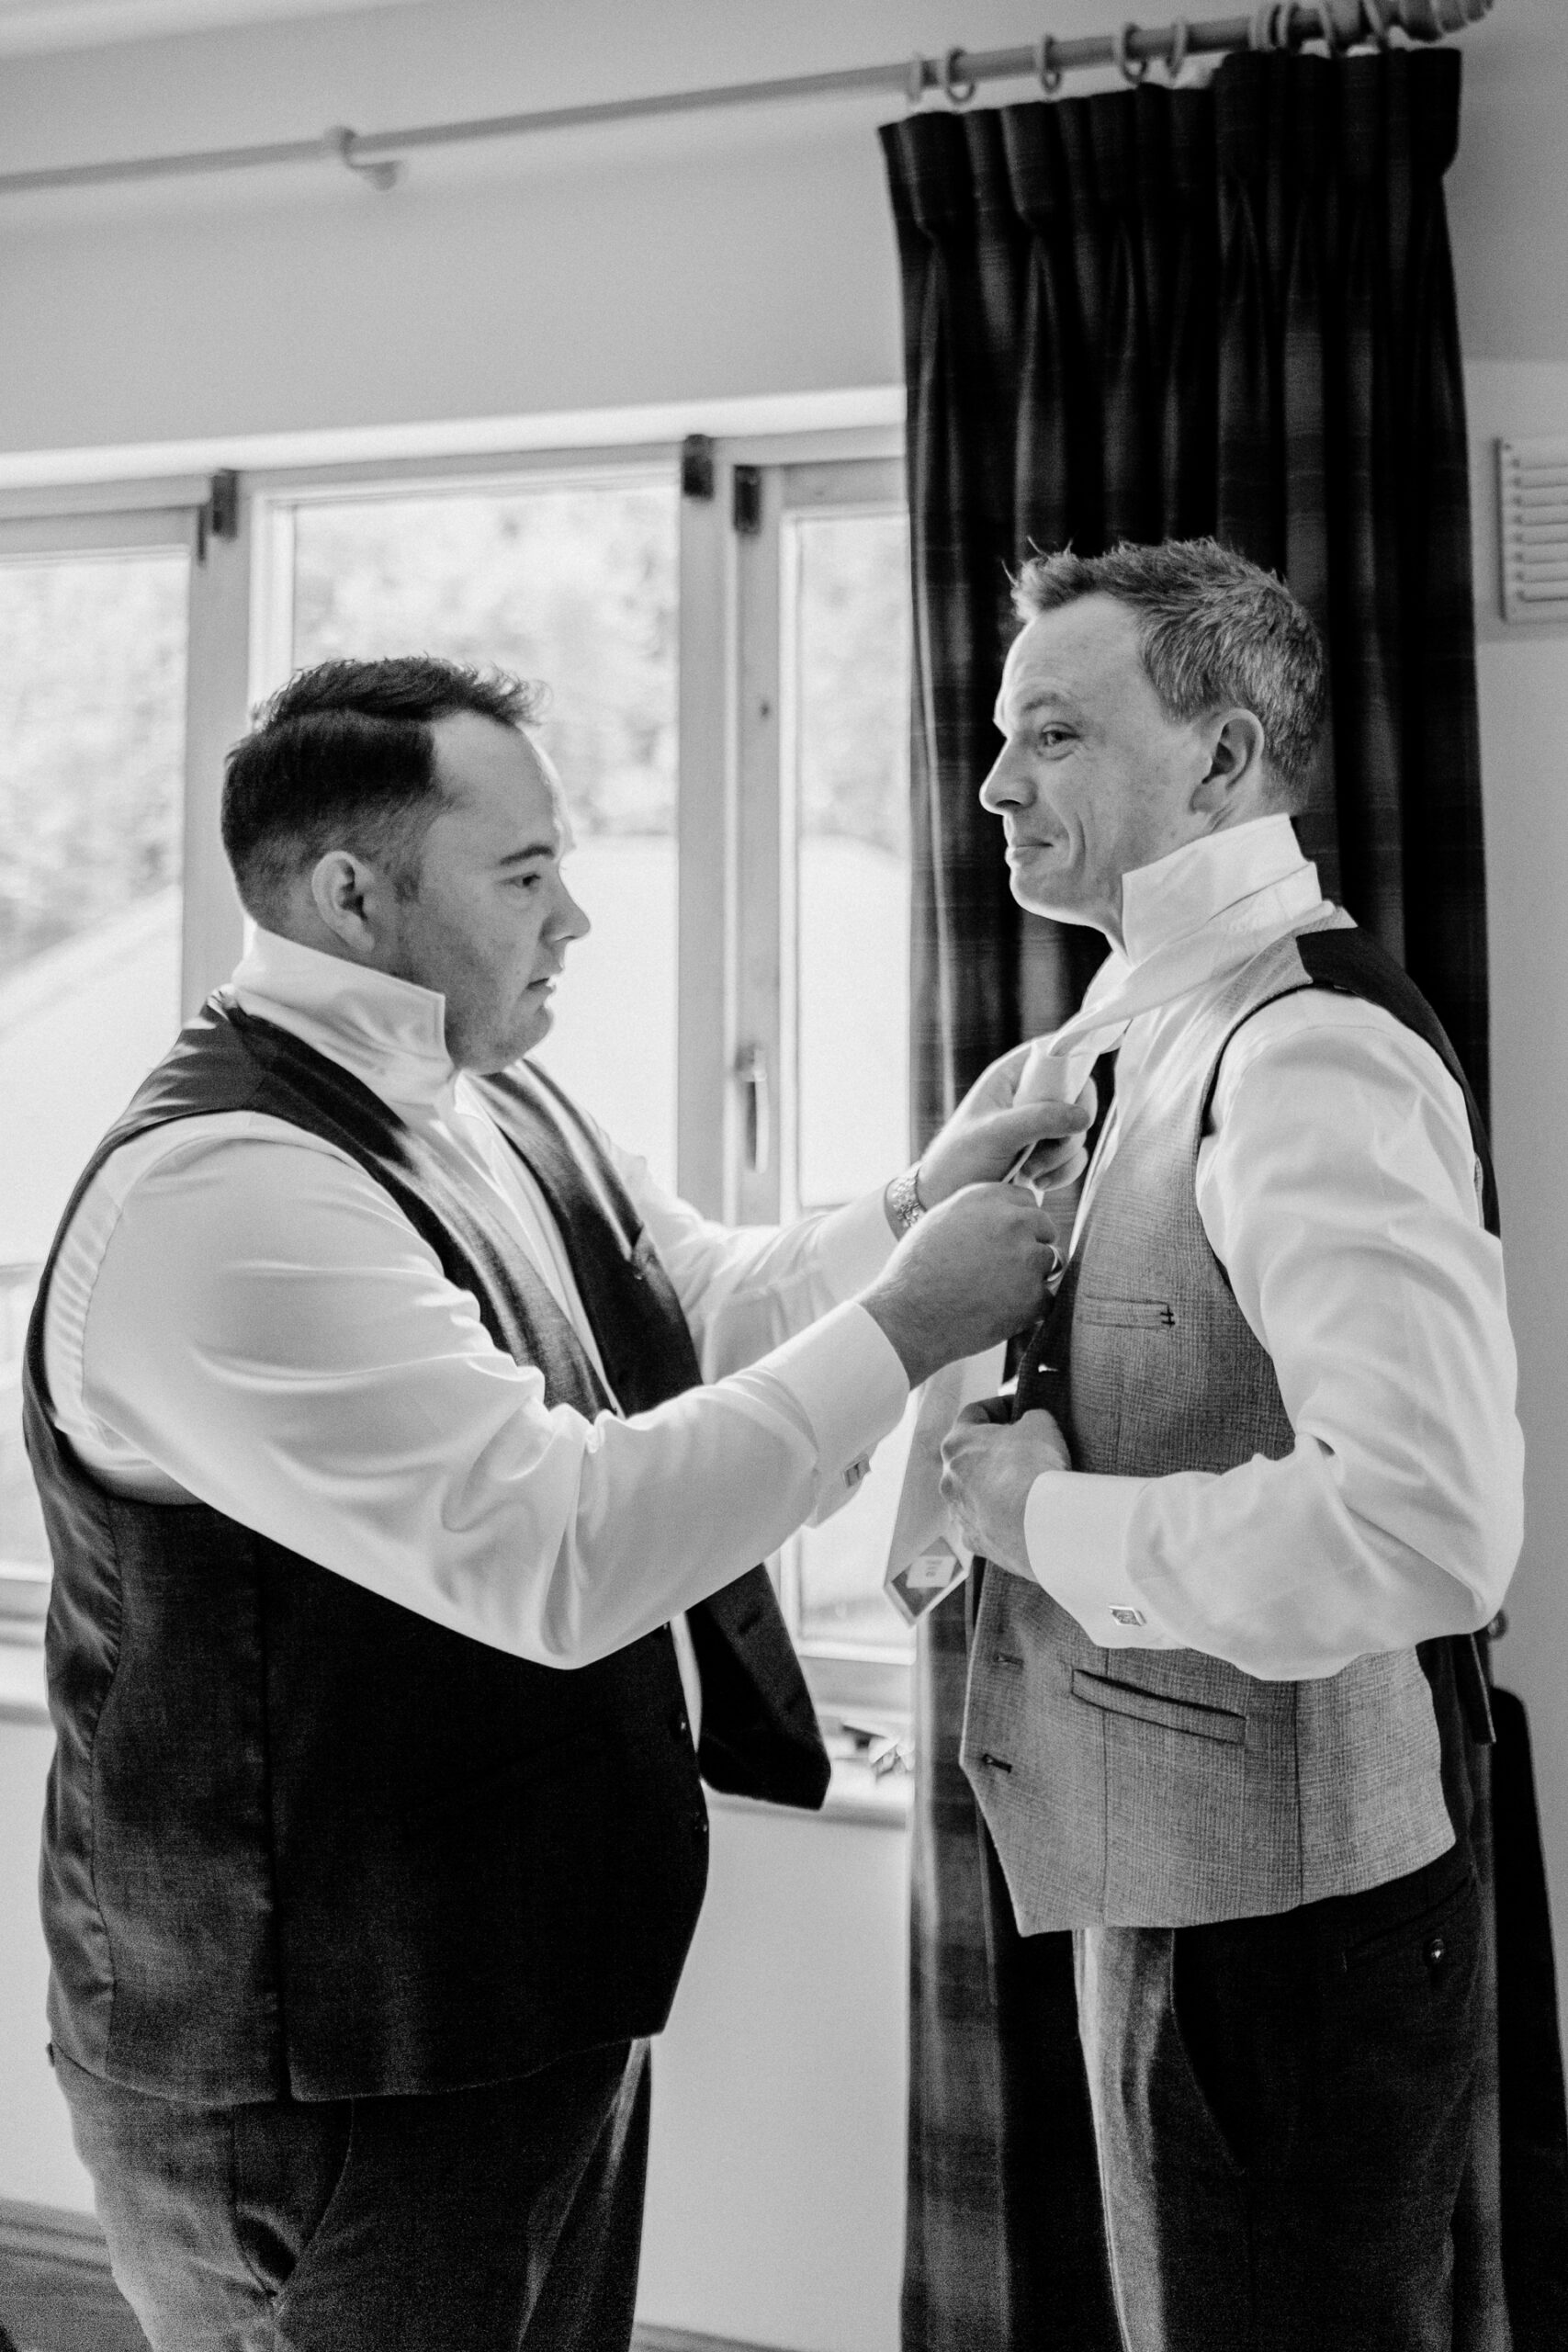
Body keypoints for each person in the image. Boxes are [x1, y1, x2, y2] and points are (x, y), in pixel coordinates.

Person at [24, 656, 1087, 2352]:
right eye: (524, 875)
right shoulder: (222, 1194)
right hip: (322, 2072)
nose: (575, 918)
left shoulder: (483, 1090)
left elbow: (689, 1304)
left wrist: (906, 1211)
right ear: (352, 895)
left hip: (524, 1999)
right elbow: (563, 1548)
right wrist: (914, 1326)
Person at [938, 539, 1523, 2352]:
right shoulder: (1115, 1034)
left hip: (1289, 1932)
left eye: (1050, 732)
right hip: (1175, 1874)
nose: (993, 782)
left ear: (1214, 761)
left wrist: (1050, 1523)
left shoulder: (1306, 1051)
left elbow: (1423, 1525)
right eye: (996, 734)